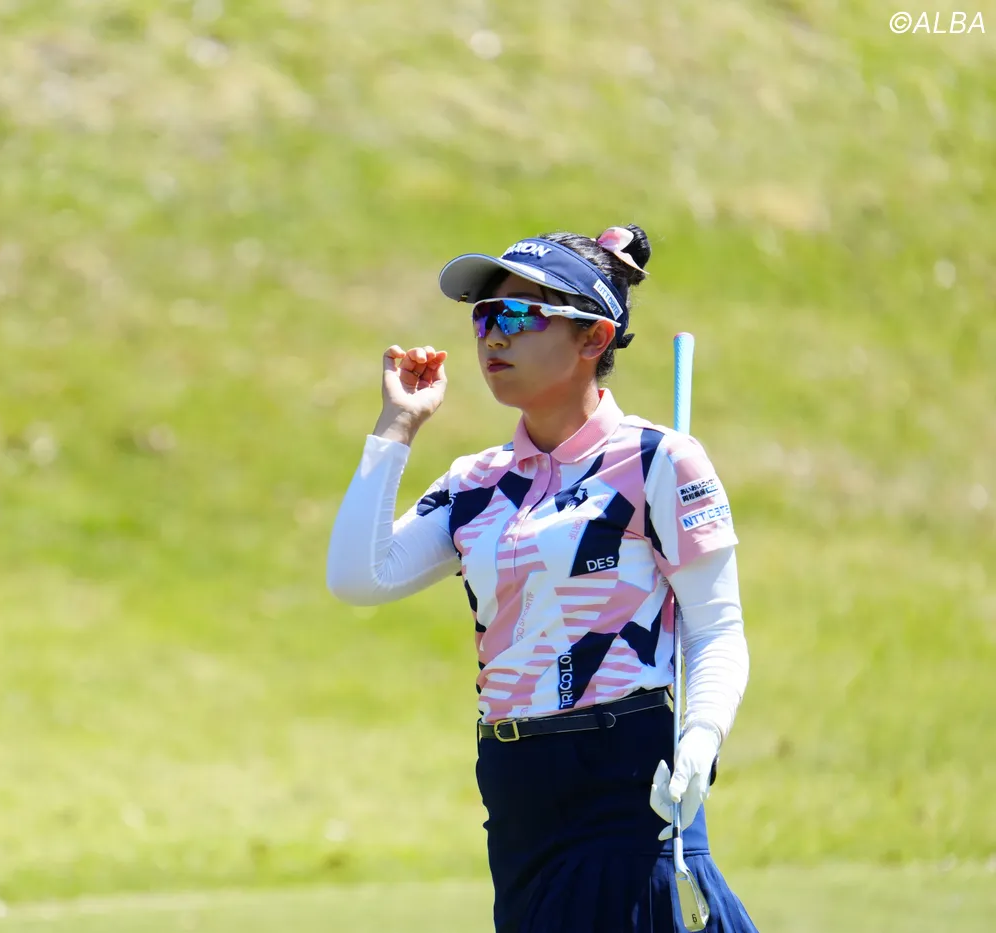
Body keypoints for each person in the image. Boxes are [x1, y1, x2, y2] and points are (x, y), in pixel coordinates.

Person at [325, 225, 759, 932]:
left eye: (521, 315)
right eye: (485, 316)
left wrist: (702, 738)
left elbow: (716, 628)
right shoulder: (475, 482)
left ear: (594, 338)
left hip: (628, 778)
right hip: (517, 789)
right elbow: (357, 576)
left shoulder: (659, 460)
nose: (495, 335)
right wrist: (396, 427)